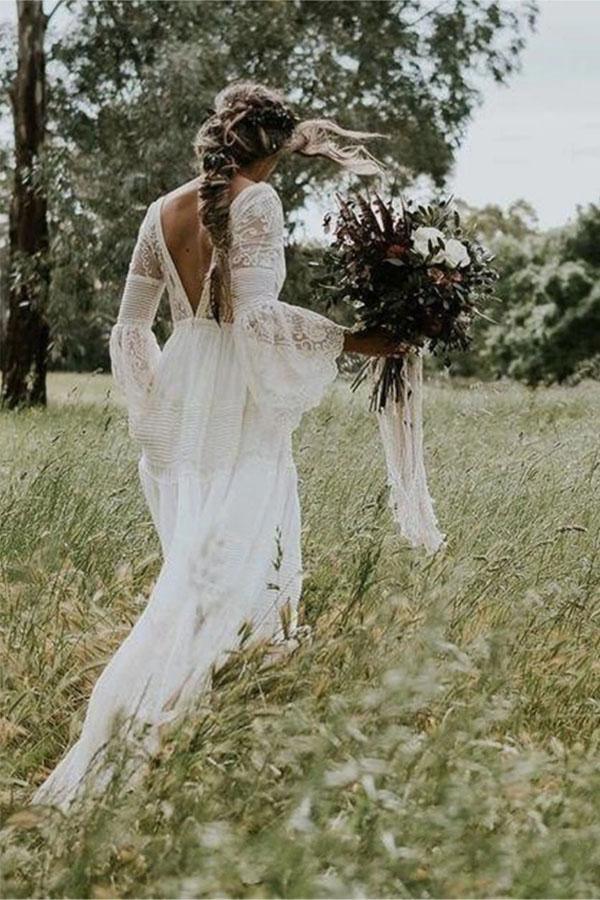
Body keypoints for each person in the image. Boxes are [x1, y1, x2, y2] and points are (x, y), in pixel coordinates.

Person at [29, 80, 428, 813]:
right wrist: (351, 340)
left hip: (182, 401)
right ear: (272, 149)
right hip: (236, 405)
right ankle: (142, 732)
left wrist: (156, 403)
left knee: (202, 567)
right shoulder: (258, 201)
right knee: (232, 570)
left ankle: (202, 738)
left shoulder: (161, 211)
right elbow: (258, 317)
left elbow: (129, 326)